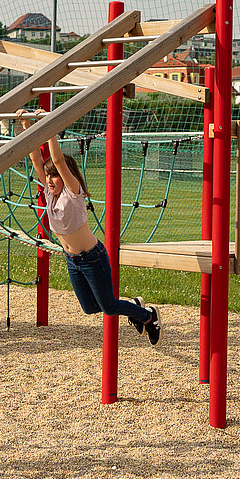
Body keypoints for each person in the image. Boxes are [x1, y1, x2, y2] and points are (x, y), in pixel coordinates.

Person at [17, 110, 161, 345]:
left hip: (93, 257)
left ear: (66, 177)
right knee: (89, 308)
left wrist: (50, 125)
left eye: (54, 177)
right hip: (72, 259)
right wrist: (26, 124)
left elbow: (60, 161)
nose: (50, 180)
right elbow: (35, 159)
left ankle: (148, 316)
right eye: (47, 176)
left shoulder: (73, 193)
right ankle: (134, 306)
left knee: (110, 307)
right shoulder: (49, 194)